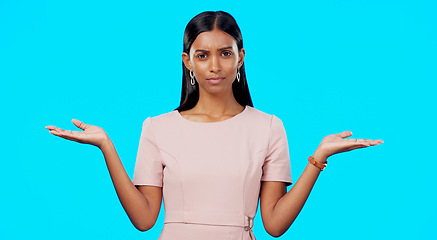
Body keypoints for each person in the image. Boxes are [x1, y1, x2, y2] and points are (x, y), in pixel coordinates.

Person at [45, 11, 383, 240]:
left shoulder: (268, 127)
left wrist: (319, 157)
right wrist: (106, 145)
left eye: (225, 52)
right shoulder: (157, 127)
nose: (214, 65)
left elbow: (275, 224)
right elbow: (145, 219)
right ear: (188, 61)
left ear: (241, 57)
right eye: (202, 55)